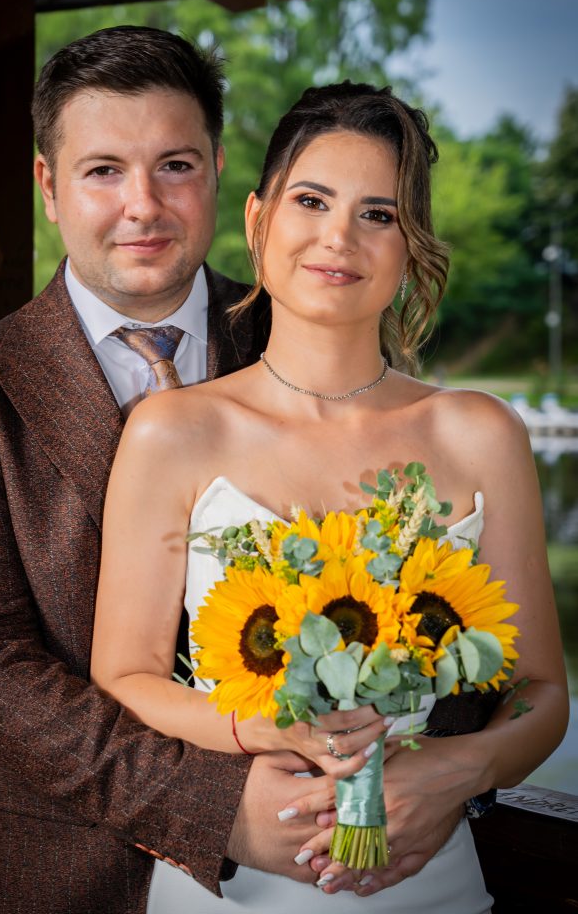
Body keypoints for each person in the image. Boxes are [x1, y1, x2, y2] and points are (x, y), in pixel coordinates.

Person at [0, 26, 356, 914]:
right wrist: (213, 807)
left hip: (334, 852)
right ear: (49, 186)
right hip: (74, 868)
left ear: (216, 168)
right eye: (103, 170)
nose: (142, 205)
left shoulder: (313, 341)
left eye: (174, 165)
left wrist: (422, 762)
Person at [91, 80, 569, 912]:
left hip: (431, 881)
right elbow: (124, 674)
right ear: (257, 220)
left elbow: (541, 689)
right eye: (311, 200)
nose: (338, 237)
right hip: (230, 885)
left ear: (410, 246)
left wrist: (456, 770)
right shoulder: (172, 431)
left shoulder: (479, 433)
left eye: (377, 214)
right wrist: (256, 727)